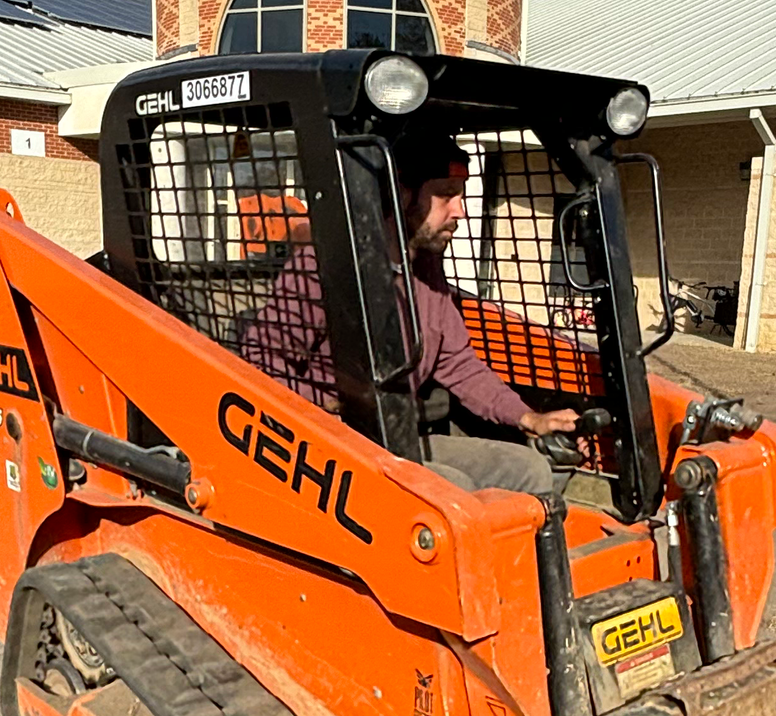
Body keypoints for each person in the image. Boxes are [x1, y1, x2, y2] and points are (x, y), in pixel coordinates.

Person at [242, 123, 579, 500]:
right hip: (333, 447)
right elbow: (260, 364)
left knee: (529, 469)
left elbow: (459, 364)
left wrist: (527, 417)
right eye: (447, 196)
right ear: (402, 194)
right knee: (453, 493)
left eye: (461, 196)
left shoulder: (426, 270)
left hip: (397, 438)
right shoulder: (326, 266)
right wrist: (327, 402)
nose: (460, 211)